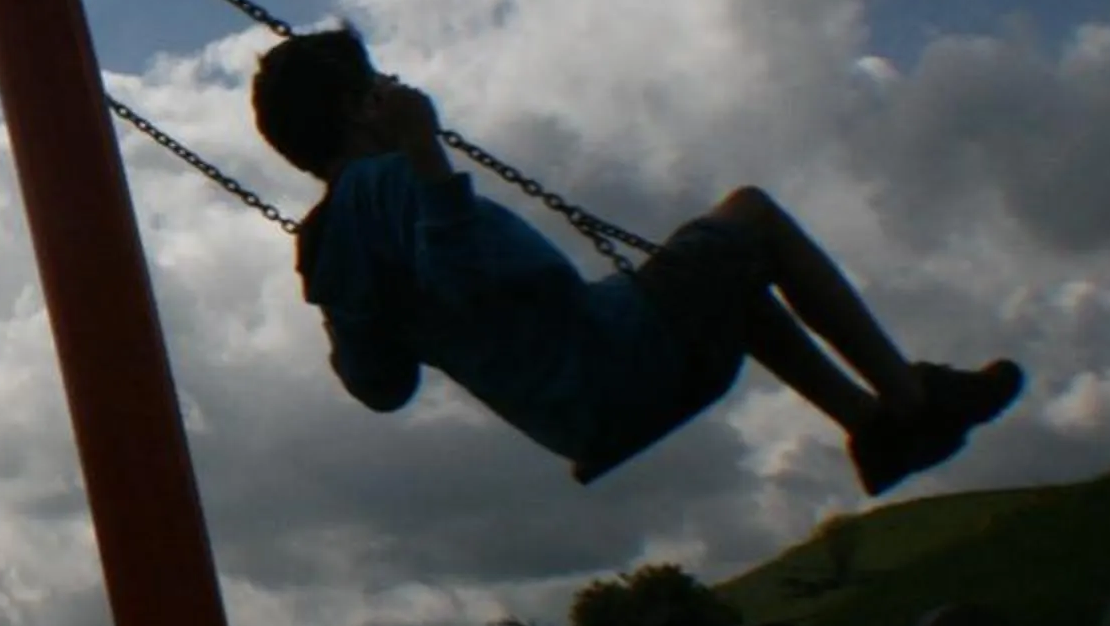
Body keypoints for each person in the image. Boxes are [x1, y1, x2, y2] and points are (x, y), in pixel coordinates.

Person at [248, 27, 1020, 495]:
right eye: (380, 83)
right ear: (361, 108)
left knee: (728, 283)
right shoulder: (388, 184)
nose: (394, 88)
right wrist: (424, 151)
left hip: (581, 414)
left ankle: (868, 424)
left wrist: (342, 303)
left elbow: (382, 389)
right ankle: (910, 398)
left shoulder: (334, 256)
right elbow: (464, 275)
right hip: (614, 357)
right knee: (749, 215)